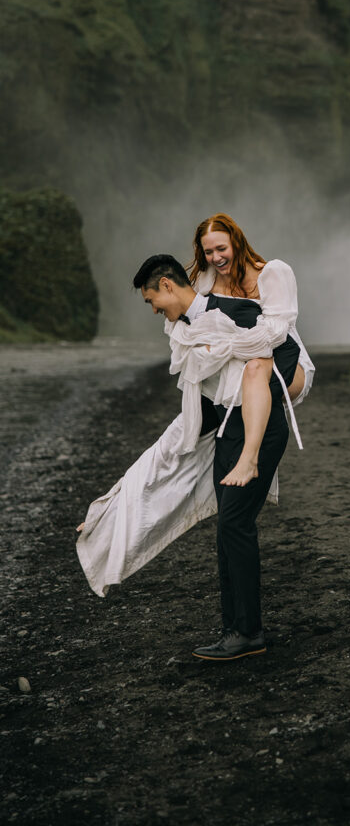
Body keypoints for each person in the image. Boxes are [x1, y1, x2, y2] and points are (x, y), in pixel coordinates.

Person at [77, 250, 310, 662]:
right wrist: (115, 503)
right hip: (224, 432)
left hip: (256, 428)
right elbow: (195, 414)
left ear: (167, 285)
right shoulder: (185, 331)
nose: (154, 310)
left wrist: (259, 395)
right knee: (229, 529)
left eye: (152, 301)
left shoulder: (234, 309)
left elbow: (286, 352)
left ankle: (248, 632)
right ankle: (235, 629)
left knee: (235, 526)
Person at [188, 213, 314, 488]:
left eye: (221, 248)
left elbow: (275, 336)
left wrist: (222, 347)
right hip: (241, 364)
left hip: (286, 363)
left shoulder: (272, 273)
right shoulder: (206, 281)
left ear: (236, 241)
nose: (216, 257)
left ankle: (249, 460)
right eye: (208, 251)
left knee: (256, 366)